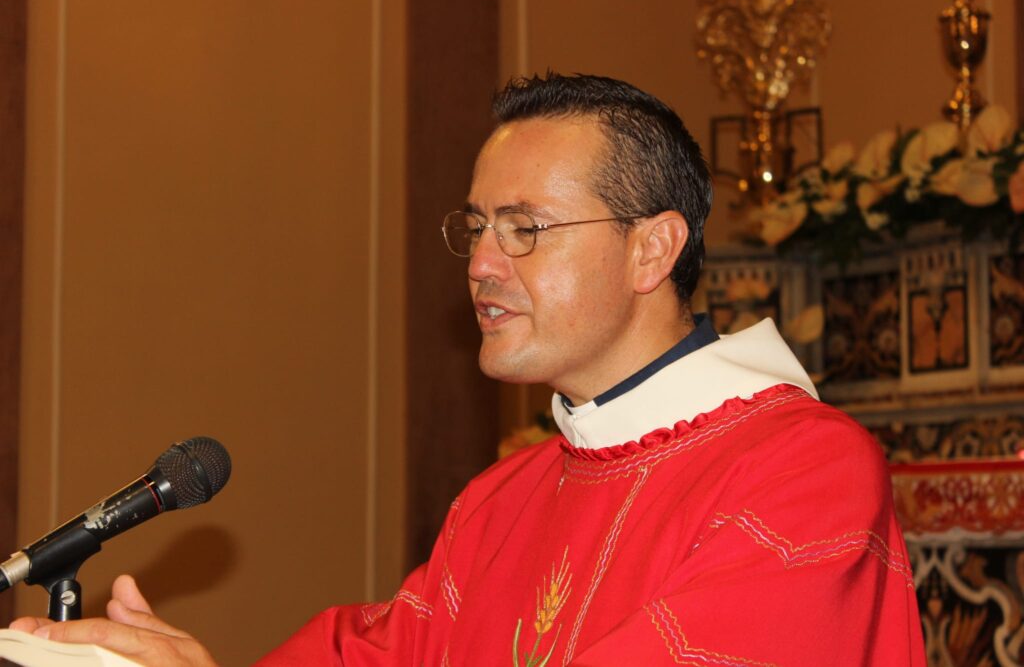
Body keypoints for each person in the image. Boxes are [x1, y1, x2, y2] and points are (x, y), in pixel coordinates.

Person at [11, 73, 926, 665]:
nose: (483, 263)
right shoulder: (503, 497)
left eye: (527, 228)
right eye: (479, 227)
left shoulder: (804, 472)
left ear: (652, 249)